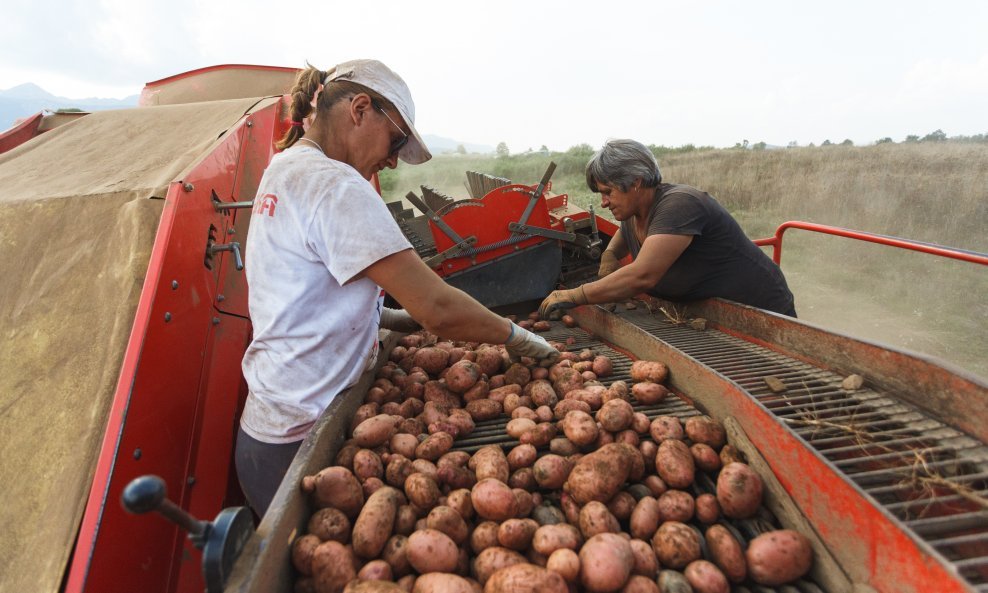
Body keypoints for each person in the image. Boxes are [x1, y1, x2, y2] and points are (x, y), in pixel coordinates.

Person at [237, 59, 558, 516]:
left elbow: (306, 293)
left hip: (268, 428)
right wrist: (517, 336)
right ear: (360, 109)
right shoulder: (335, 185)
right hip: (300, 440)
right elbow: (437, 307)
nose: (392, 159)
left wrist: (386, 318)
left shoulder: (288, 167)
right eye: (396, 141)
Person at [540, 139, 796, 319]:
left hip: (757, 312)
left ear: (636, 182)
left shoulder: (680, 204)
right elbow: (625, 234)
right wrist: (610, 255)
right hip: (708, 311)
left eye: (608, 192)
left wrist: (577, 295)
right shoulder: (633, 211)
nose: (604, 202)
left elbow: (643, 275)